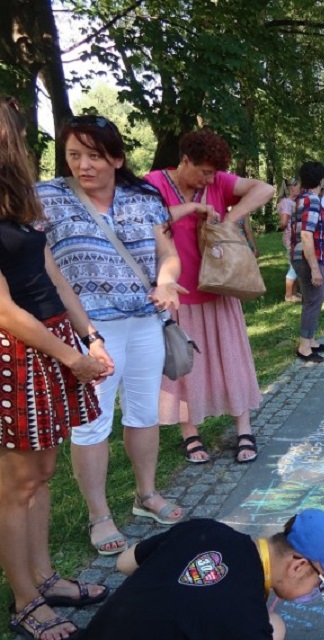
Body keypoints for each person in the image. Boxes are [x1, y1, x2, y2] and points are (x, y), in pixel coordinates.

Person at [40, 115, 186, 555]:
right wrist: (84, 334)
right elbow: (45, 272)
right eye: (74, 155)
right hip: (86, 331)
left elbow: (168, 254)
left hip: (144, 323)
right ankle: (99, 515)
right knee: (91, 423)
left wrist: (165, 281)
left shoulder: (144, 197)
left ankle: (146, 495)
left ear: (117, 158)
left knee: (144, 412)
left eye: (95, 155)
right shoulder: (46, 198)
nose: (84, 165)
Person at [0, 97, 110, 640]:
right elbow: (1, 309)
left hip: (52, 336)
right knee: (16, 485)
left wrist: (88, 335)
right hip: (14, 349)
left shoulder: (18, 197)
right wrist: (71, 357)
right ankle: (23, 603)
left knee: (41, 475)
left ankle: (43, 579)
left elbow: (53, 276)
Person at [144, 129, 273, 465]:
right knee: (185, 366)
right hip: (178, 293)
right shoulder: (153, 183)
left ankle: (244, 428)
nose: (210, 178)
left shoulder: (217, 182)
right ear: (184, 160)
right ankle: (191, 434)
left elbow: (265, 188)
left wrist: (228, 219)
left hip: (218, 289)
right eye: (204, 170)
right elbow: (143, 221)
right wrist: (189, 208)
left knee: (232, 362)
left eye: (214, 172)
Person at [83, 509, 324, 640]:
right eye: (321, 581)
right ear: (298, 565)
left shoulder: (204, 529)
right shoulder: (247, 623)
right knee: (275, 627)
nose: (318, 589)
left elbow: (124, 562)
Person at [290, 162, 324, 363]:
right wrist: (315, 269)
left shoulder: (302, 198)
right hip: (311, 258)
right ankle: (304, 347)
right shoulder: (312, 201)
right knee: (313, 301)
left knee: (314, 299)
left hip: (308, 257)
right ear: (321, 179)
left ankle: (311, 340)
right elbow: (306, 235)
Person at [277, 179, 302, 302]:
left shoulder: (292, 201)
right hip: (291, 238)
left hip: (296, 237)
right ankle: (288, 295)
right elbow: (284, 221)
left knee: (296, 263)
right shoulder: (286, 202)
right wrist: (283, 226)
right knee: (294, 265)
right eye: (298, 187)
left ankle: (295, 292)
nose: (300, 189)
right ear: (291, 188)